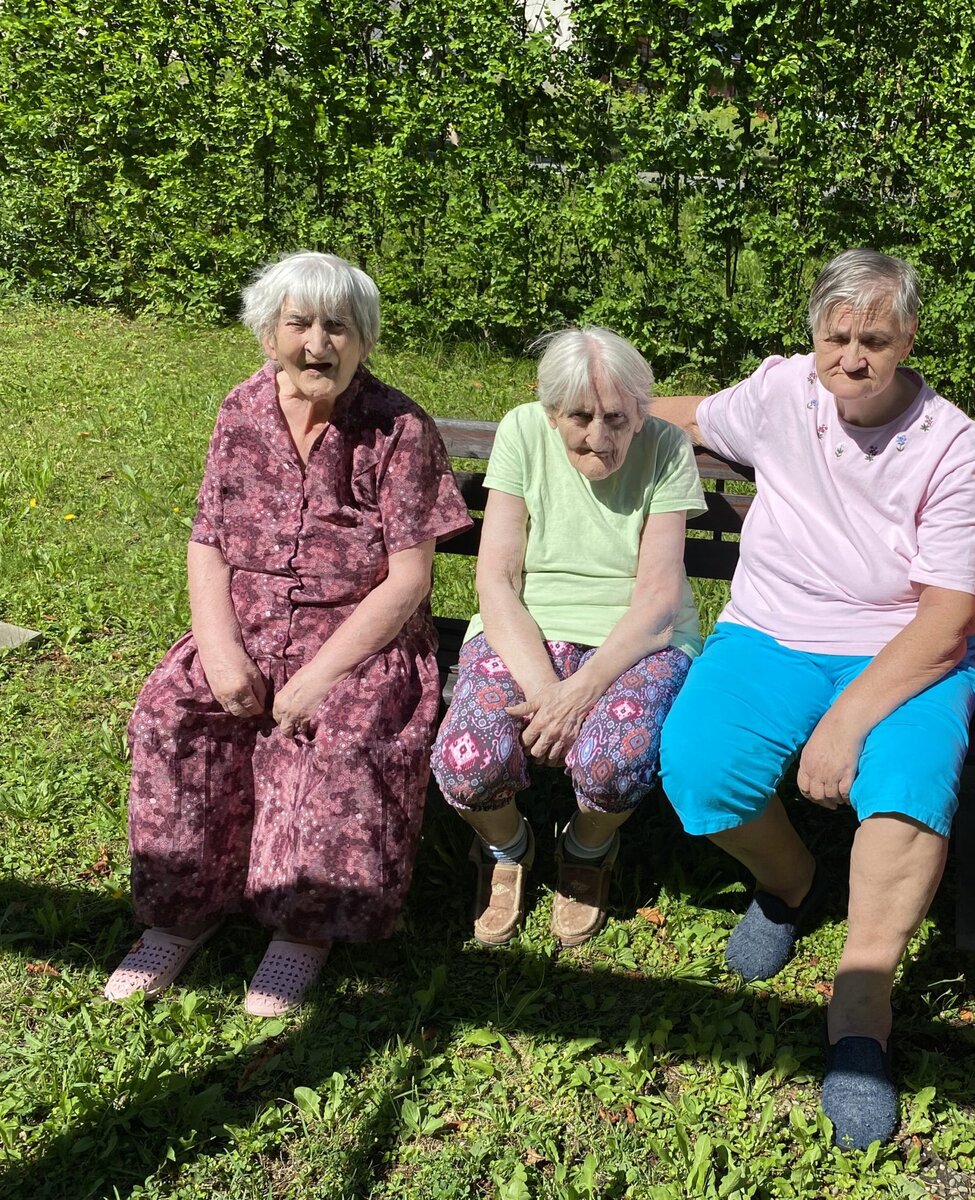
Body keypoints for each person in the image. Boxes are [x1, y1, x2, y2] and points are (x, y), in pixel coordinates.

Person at [655, 249, 975, 1150]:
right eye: (835, 337)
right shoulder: (781, 393)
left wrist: (845, 724)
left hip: (905, 649)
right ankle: (790, 881)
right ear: (813, 336)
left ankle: (861, 1006)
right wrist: (583, 404)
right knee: (700, 766)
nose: (852, 356)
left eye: (875, 339)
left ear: (908, 339)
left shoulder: (950, 443)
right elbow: (689, 414)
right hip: (770, 633)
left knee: (908, 792)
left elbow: (949, 617)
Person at [105, 251, 472, 1016]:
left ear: (364, 340)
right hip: (247, 623)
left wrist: (317, 677)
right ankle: (184, 913)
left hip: (360, 638)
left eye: (338, 326)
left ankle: (304, 930)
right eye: (299, 323)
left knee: (343, 739)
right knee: (173, 717)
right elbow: (208, 540)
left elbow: (408, 580)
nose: (318, 342)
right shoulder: (241, 410)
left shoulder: (398, 428)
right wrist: (219, 650)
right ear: (268, 335)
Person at [430, 328, 706, 948]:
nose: (599, 437)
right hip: (526, 631)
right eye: (580, 418)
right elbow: (497, 579)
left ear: (642, 410)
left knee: (616, 763)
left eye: (617, 418)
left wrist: (580, 691)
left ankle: (588, 845)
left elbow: (658, 601)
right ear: (551, 410)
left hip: (638, 638)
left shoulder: (665, 447)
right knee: (465, 764)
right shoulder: (523, 431)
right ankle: (507, 845)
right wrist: (544, 692)